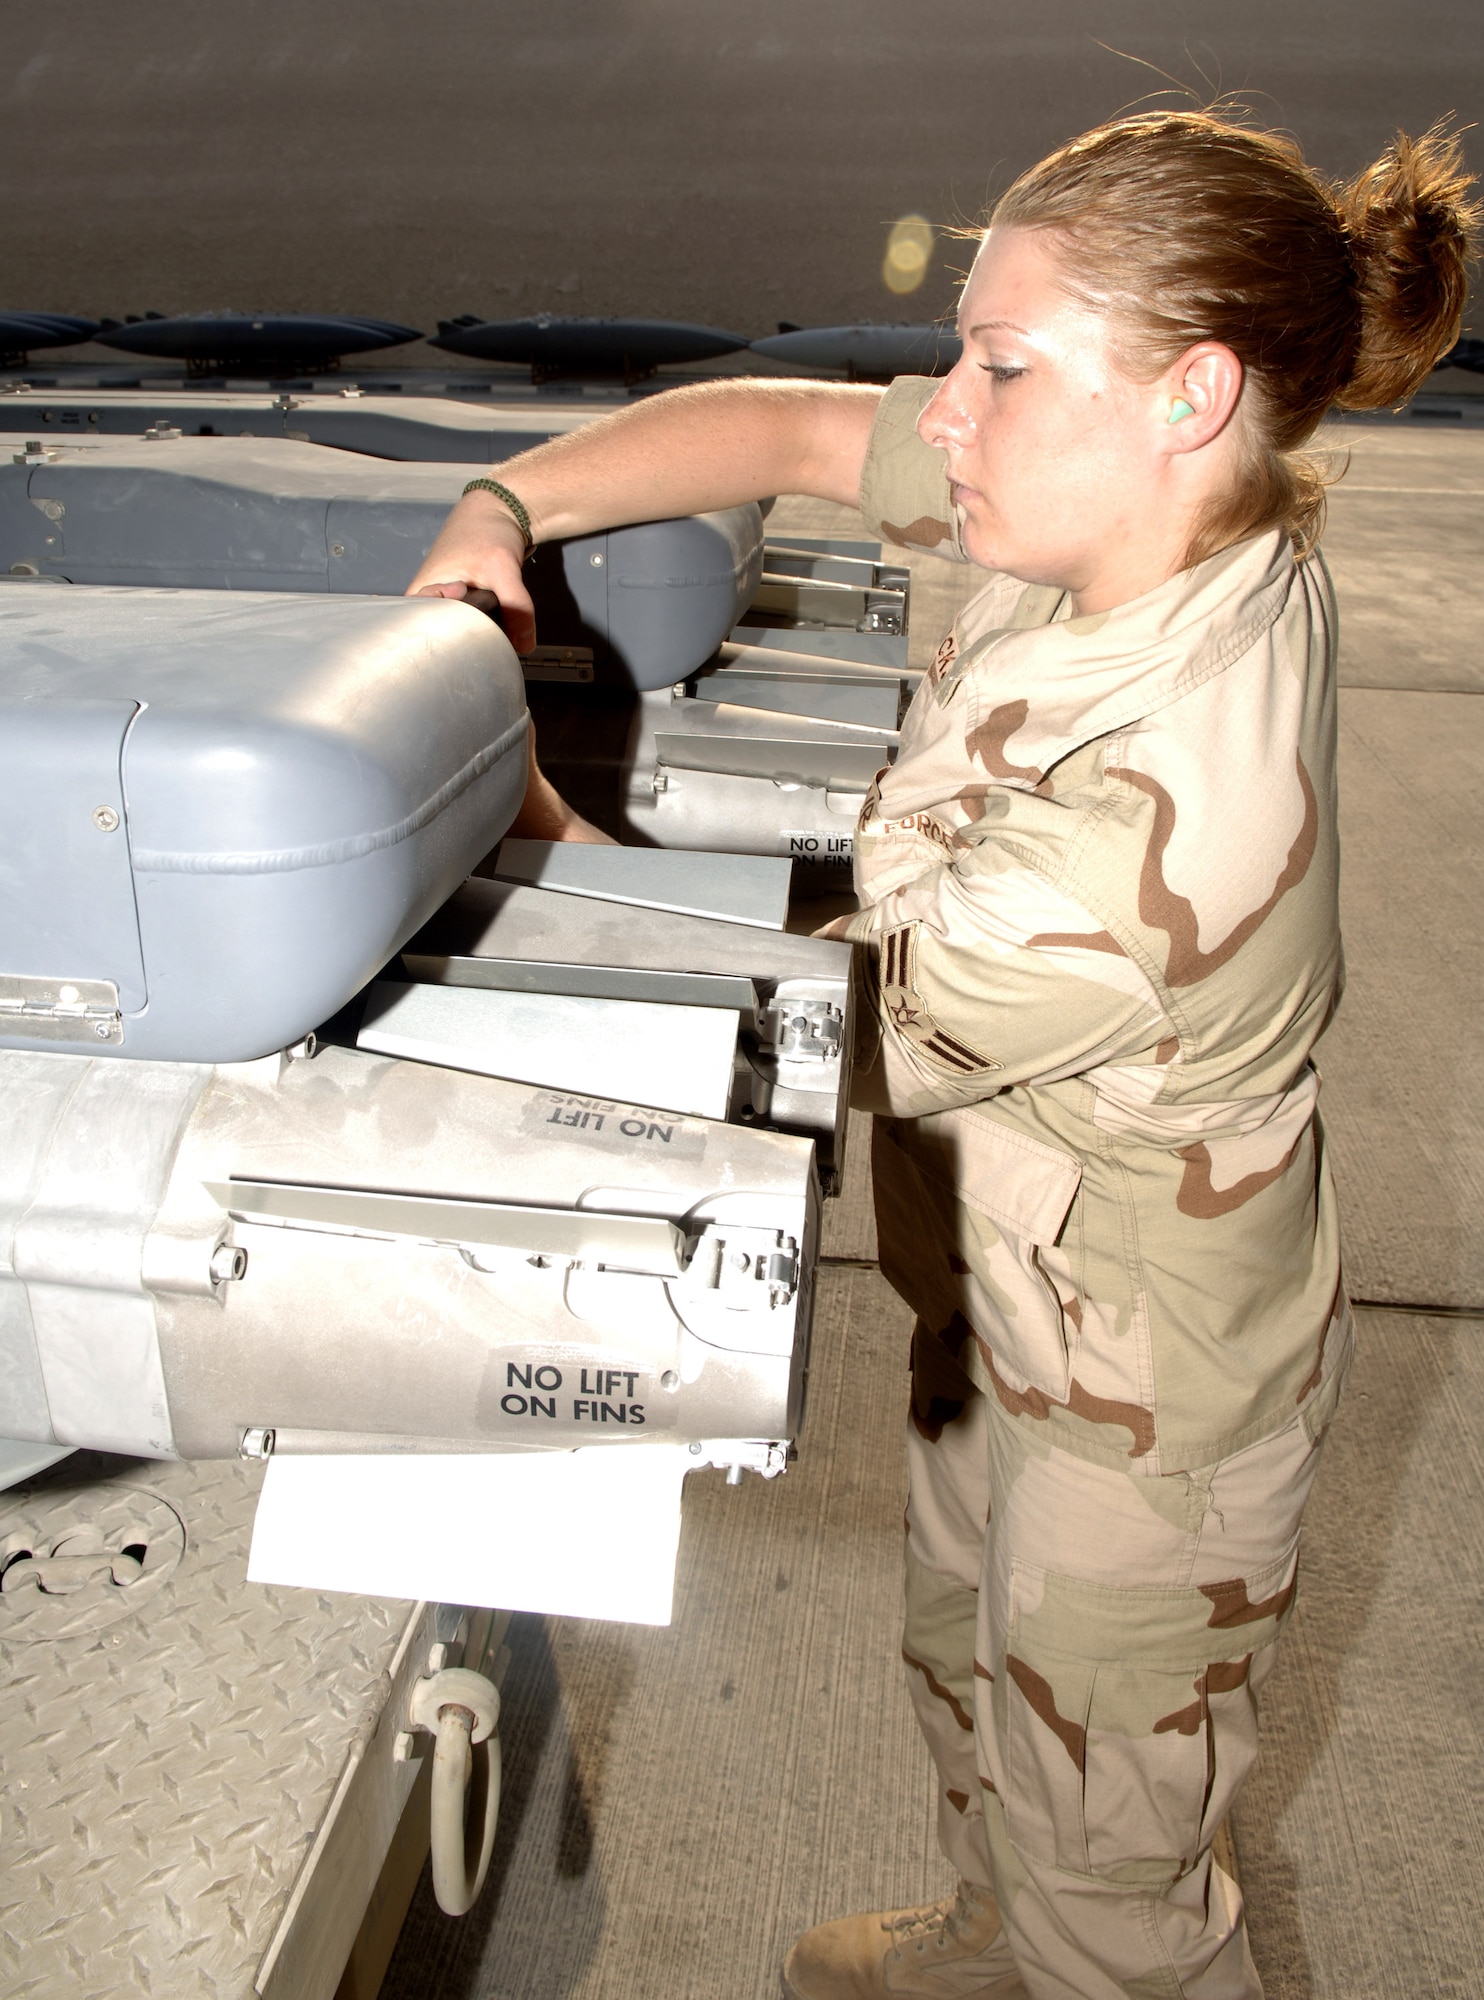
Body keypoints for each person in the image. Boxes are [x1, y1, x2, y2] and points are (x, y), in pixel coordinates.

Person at [410, 110, 1477, 2000]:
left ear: (1191, 392)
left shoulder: (1168, 821)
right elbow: (791, 429)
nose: (946, 409)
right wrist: (507, 506)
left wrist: (473, 760)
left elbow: (788, 1011)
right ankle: (997, 1943)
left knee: (1122, 1887)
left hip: (1146, 1407)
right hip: (1001, 1299)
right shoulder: (1122, 522)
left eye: (999, 365)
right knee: (972, 1683)